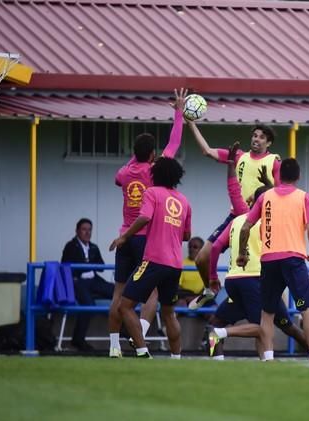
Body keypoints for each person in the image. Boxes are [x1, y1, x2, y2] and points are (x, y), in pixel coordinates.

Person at [207, 143, 307, 360]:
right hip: (257, 281)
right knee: (264, 325)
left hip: (233, 281)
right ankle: (224, 335)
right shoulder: (270, 221)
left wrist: (212, 277)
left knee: (218, 320)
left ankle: (218, 362)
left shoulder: (238, 220)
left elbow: (215, 247)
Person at [108, 88, 188, 358]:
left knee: (119, 294)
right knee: (153, 292)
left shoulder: (124, 172)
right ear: (154, 156)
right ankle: (140, 331)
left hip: (125, 236)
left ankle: (113, 346)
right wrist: (178, 113)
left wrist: (136, 156)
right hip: (149, 241)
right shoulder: (156, 179)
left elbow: (119, 179)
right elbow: (174, 144)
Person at [237, 158, 309, 363]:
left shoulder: (265, 197)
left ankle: (268, 357)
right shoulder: (304, 197)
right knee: (306, 308)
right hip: (294, 260)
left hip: (269, 261)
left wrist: (243, 253)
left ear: (279, 176)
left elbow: (245, 227)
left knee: (267, 312)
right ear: (298, 176)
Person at [186, 120, 281, 309]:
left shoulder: (274, 162)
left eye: (262, 137)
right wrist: (191, 123)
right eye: (255, 135)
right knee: (202, 257)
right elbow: (207, 150)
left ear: (268, 143)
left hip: (260, 220)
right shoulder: (238, 156)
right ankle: (210, 288)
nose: (257, 139)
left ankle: (273, 302)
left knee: (262, 267)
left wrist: (266, 187)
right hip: (236, 216)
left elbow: (280, 192)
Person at [61, 217, 114, 352]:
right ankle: (78, 341)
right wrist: (87, 266)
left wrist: (88, 265)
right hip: (78, 282)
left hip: (94, 281)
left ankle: (126, 332)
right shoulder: (71, 246)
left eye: (89, 230)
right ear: (77, 231)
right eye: (84, 229)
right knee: (88, 305)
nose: (87, 233)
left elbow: (101, 266)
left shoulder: (94, 247)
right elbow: (65, 267)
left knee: (118, 293)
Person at [177, 236, 205, 305]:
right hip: (185, 297)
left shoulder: (207, 264)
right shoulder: (181, 264)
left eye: (195, 247)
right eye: (190, 247)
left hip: (202, 297)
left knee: (214, 310)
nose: (191, 249)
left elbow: (212, 285)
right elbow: (178, 286)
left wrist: (198, 297)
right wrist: (190, 296)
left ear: (202, 249)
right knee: (180, 303)